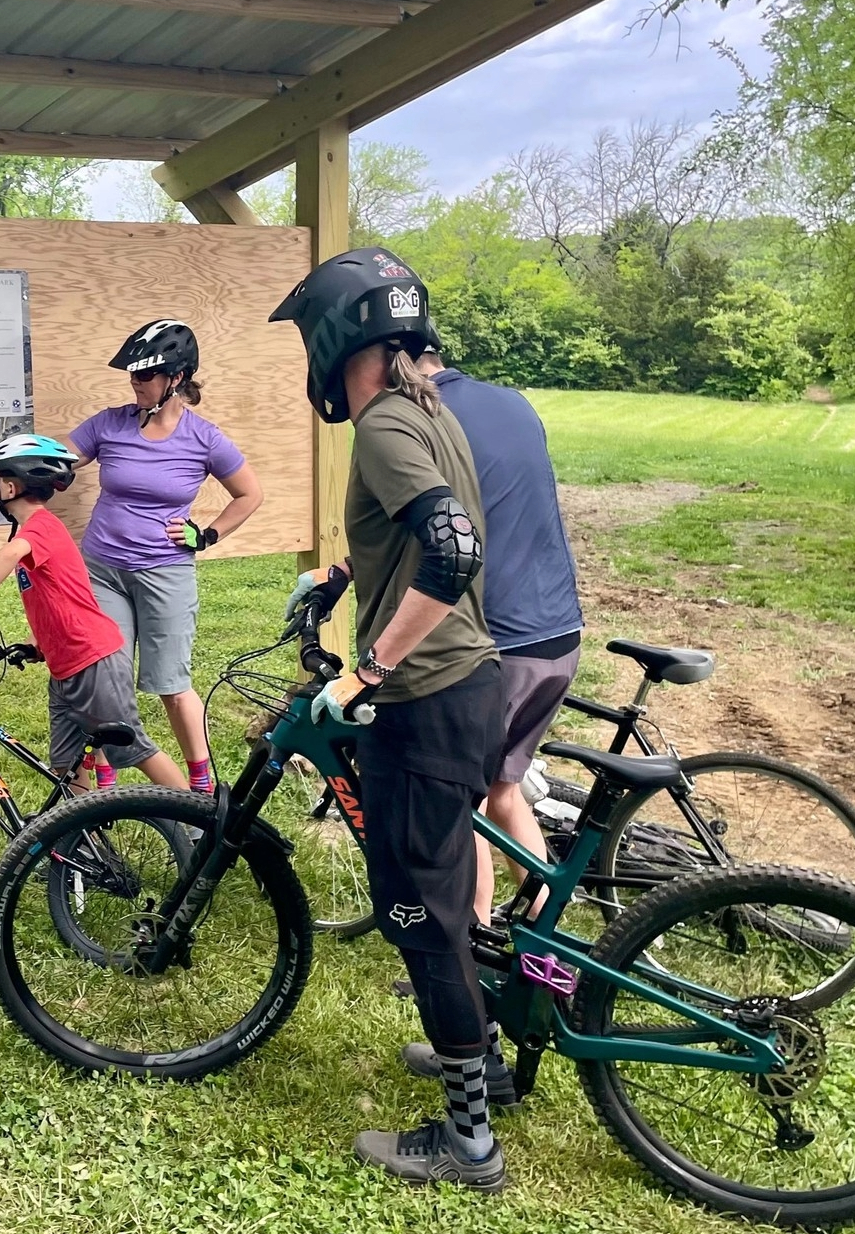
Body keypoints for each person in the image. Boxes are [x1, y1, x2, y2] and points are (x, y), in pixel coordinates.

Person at [272, 249, 508, 1193]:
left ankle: (469, 1141)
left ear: (339, 340)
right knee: (439, 900)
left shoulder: (380, 426)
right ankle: (480, 1053)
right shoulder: (429, 411)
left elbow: (451, 551)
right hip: (467, 685)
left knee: (422, 916)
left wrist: (370, 668)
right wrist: (342, 579)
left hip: (428, 696)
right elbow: (416, 543)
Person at [415, 335, 583, 927]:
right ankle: (545, 932)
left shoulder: (426, 418)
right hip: (559, 632)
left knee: (462, 804)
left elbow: (434, 541)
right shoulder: (512, 401)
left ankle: (474, 940)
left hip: (501, 642)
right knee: (502, 791)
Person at [69, 320, 263, 794]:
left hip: (164, 572)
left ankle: (201, 787)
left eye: (144, 375)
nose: (134, 382)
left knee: (171, 683)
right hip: (103, 571)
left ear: (176, 378)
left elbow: (249, 495)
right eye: (131, 374)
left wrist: (206, 534)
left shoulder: (204, 438)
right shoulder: (109, 423)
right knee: (104, 676)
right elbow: (57, 458)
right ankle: (104, 780)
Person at [0, 434, 188, 791]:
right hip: (64, 668)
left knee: (134, 750)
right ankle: (82, 837)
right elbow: (55, 593)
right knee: (66, 764)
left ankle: (199, 825)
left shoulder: (41, 527)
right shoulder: (35, 531)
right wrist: (38, 644)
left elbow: (11, 553)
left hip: (92, 660)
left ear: (12, 486)